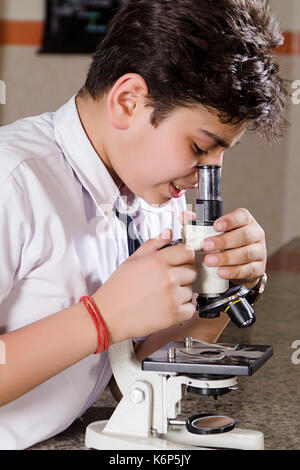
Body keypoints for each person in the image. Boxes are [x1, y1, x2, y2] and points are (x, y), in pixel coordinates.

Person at [0, 0, 288, 449]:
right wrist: (100, 320)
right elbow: (105, 328)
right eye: (199, 147)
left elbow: (129, 380)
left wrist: (228, 288)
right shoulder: (12, 181)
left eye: (220, 156)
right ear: (129, 102)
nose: (206, 175)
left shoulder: (153, 195)